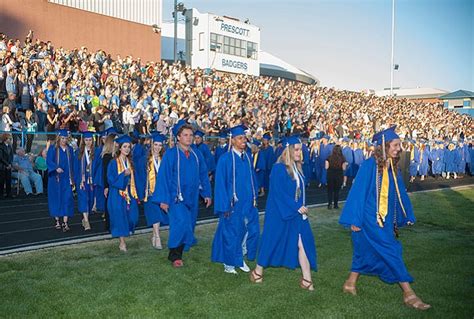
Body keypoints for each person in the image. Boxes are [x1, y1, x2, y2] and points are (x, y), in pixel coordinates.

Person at [339, 126, 430, 311]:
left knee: (363, 250)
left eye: (399, 145)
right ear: (385, 145)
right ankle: (409, 294)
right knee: (391, 250)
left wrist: (406, 215)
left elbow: (398, 194)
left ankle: (350, 283)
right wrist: (355, 220)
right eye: (395, 145)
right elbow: (358, 193)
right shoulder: (369, 165)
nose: (399, 148)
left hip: (385, 218)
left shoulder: (390, 166)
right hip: (370, 218)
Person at [250, 135, 317, 291]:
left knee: (303, 243)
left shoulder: (297, 167)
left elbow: (298, 191)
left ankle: (307, 280)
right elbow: (278, 193)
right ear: (289, 150)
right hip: (279, 212)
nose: (301, 152)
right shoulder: (278, 168)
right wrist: (295, 206)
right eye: (298, 150)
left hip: (296, 213)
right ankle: (258, 271)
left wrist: (300, 206)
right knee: (271, 241)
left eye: (301, 149)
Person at [154, 119, 212, 268]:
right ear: (178, 137)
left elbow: (203, 174)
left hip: (192, 196)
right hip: (176, 197)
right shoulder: (171, 155)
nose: (189, 138)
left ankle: (180, 248)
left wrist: (206, 193)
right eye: (185, 135)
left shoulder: (196, 154)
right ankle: (175, 256)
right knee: (181, 222)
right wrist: (164, 199)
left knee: (189, 223)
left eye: (191, 135)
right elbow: (164, 177)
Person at [211, 125, 259, 274]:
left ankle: (240, 256)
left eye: (244, 138)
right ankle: (229, 263)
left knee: (249, 230)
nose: (243, 141)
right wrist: (224, 206)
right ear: (232, 141)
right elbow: (220, 185)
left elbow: (252, 180)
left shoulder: (247, 158)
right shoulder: (225, 159)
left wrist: (254, 197)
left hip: (247, 202)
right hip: (232, 204)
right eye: (240, 138)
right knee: (231, 233)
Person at [107, 134, 139, 252]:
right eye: (124, 146)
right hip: (117, 194)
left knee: (133, 217)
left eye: (128, 147)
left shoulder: (131, 162)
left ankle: (126, 233)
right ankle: (122, 242)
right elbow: (111, 180)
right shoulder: (113, 163)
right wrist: (123, 175)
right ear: (119, 148)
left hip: (130, 194)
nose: (127, 149)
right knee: (120, 218)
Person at [136, 133, 169, 249]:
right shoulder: (143, 160)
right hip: (149, 193)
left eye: (160, 145)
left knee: (159, 215)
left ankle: (155, 235)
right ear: (151, 145)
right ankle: (158, 237)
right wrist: (140, 193)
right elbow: (139, 177)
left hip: (162, 192)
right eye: (155, 144)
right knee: (154, 214)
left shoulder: (165, 160)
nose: (158, 147)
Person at [46, 130, 75, 231]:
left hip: (66, 178)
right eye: (62, 138)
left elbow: (73, 163)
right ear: (58, 138)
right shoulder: (53, 149)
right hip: (56, 179)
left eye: (66, 138)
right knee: (56, 199)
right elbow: (48, 160)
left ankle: (65, 222)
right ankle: (57, 221)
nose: (64, 140)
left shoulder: (70, 149)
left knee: (67, 199)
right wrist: (55, 167)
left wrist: (73, 178)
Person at [74, 131, 96, 231]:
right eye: (86, 140)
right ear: (83, 140)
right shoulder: (79, 152)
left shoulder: (96, 151)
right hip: (82, 179)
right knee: (83, 199)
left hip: (91, 179)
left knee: (90, 200)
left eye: (90, 140)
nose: (88, 142)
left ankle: (85, 218)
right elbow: (75, 167)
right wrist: (77, 180)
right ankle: (86, 221)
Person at [101, 134, 116, 232]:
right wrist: (106, 186)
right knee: (109, 205)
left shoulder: (117, 155)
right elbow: (105, 172)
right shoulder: (107, 156)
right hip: (110, 184)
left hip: (117, 183)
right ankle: (109, 225)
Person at [325, 145, 347, 209]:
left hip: (330, 175)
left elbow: (326, 167)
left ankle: (329, 204)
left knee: (330, 190)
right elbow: (344, 168)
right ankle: (335, 204)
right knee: (337, 191)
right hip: (338, 175)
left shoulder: (329, 157)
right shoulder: (342, 158)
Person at [0, 133, 14, 199]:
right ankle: (1, 194)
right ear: (5, 139)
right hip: (2, 166)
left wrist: (10, 164)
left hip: (8, 166)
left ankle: (9, 193)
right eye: (9, 138)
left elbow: (11, 156)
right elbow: (1, 157)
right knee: (1, 181)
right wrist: (7, 164)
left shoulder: (10, 146)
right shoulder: (1, 146)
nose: (10, 140)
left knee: (8, 180)